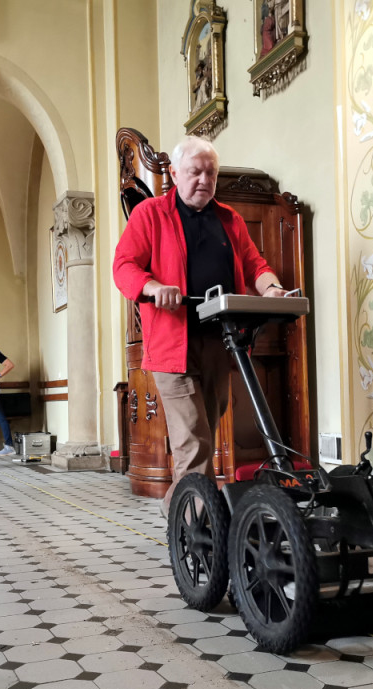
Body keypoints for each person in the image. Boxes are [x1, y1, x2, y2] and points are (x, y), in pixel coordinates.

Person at [113, 136, 287, 515]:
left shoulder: (230, 219)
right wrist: (153, 287)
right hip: (173, 344)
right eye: (194, 172)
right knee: (194, 438)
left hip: (221, 343)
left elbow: (255, 264)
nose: (204, 180)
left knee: (206, 428)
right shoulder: (151, 215)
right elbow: (124, 266)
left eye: (210, 172)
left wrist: (271, 288)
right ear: (175, 174)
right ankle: (200, 530)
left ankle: (175, 508)